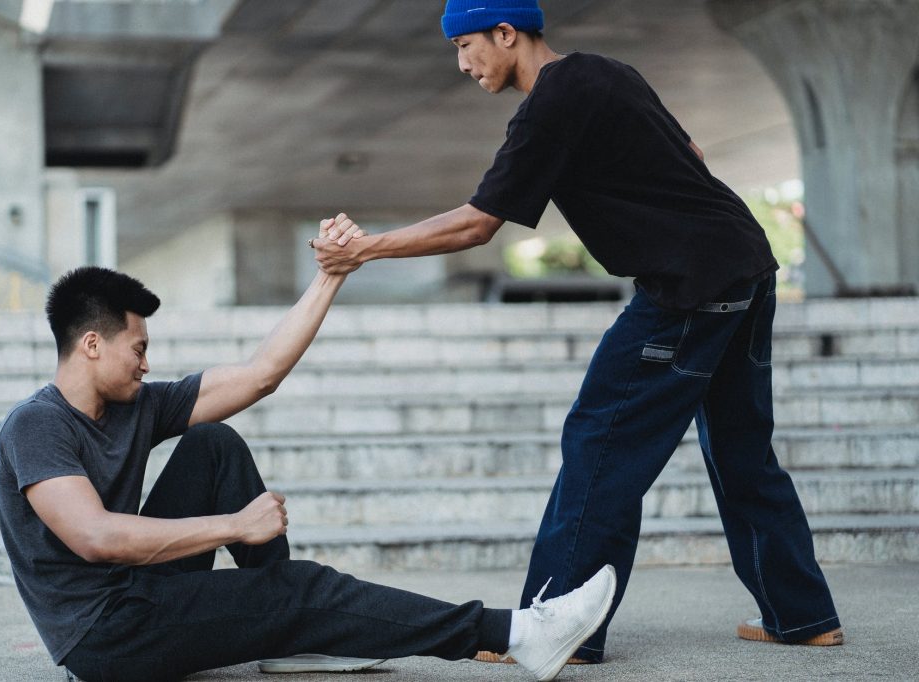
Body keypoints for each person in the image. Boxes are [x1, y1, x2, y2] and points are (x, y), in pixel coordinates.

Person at [311, 0, 843, 664]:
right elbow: (693, 154)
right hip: (745, 265)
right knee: (743, 452)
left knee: (601, 444)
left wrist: (366, 249)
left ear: (506, 33)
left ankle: (557, 628)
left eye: (466, 44)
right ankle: (804, 616)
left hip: (686, 287)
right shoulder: (607, 72)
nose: (462, 62)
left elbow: (478, 223)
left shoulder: (548, 104)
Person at [0, 214, 618, 682]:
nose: (146, 363)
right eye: (138, 349)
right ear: (92, 345)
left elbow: (262, 373)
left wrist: (330, 276)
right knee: (302, 591)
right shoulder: (37, 426)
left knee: (212, 443)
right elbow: (95, 537)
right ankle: (517, 634)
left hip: (139, 593)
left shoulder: (137, 405)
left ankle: (291, 630)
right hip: (102, 637)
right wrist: (234, 525)